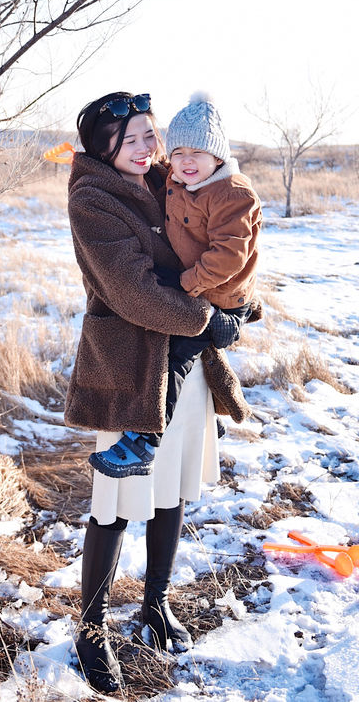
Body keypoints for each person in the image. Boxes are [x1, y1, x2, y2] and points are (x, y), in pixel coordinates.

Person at [63, 91, 253, 695]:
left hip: (186, 364)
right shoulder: (94, 199)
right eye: (135, 138)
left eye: (152, 135)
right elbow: (132, 291)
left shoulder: (170, 177)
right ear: (104, 146)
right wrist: (207, 319)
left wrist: (235, 300)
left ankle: (155, 604)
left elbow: (228, 224)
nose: (150, 148)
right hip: (131, 368)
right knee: (115, 504)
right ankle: (91, 631)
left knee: (170, 488)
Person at [90, 92, 262, 480]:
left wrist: (188, 285)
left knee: (176, 358)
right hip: (197, 287)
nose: (184, 160)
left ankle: (145, 440)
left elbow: (230, 257)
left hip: (213, 293)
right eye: (178, 150)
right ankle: (206, 418)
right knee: (182, 353)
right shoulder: (179, 177)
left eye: (196, 152)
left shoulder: (231, 193)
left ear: (217, 155)